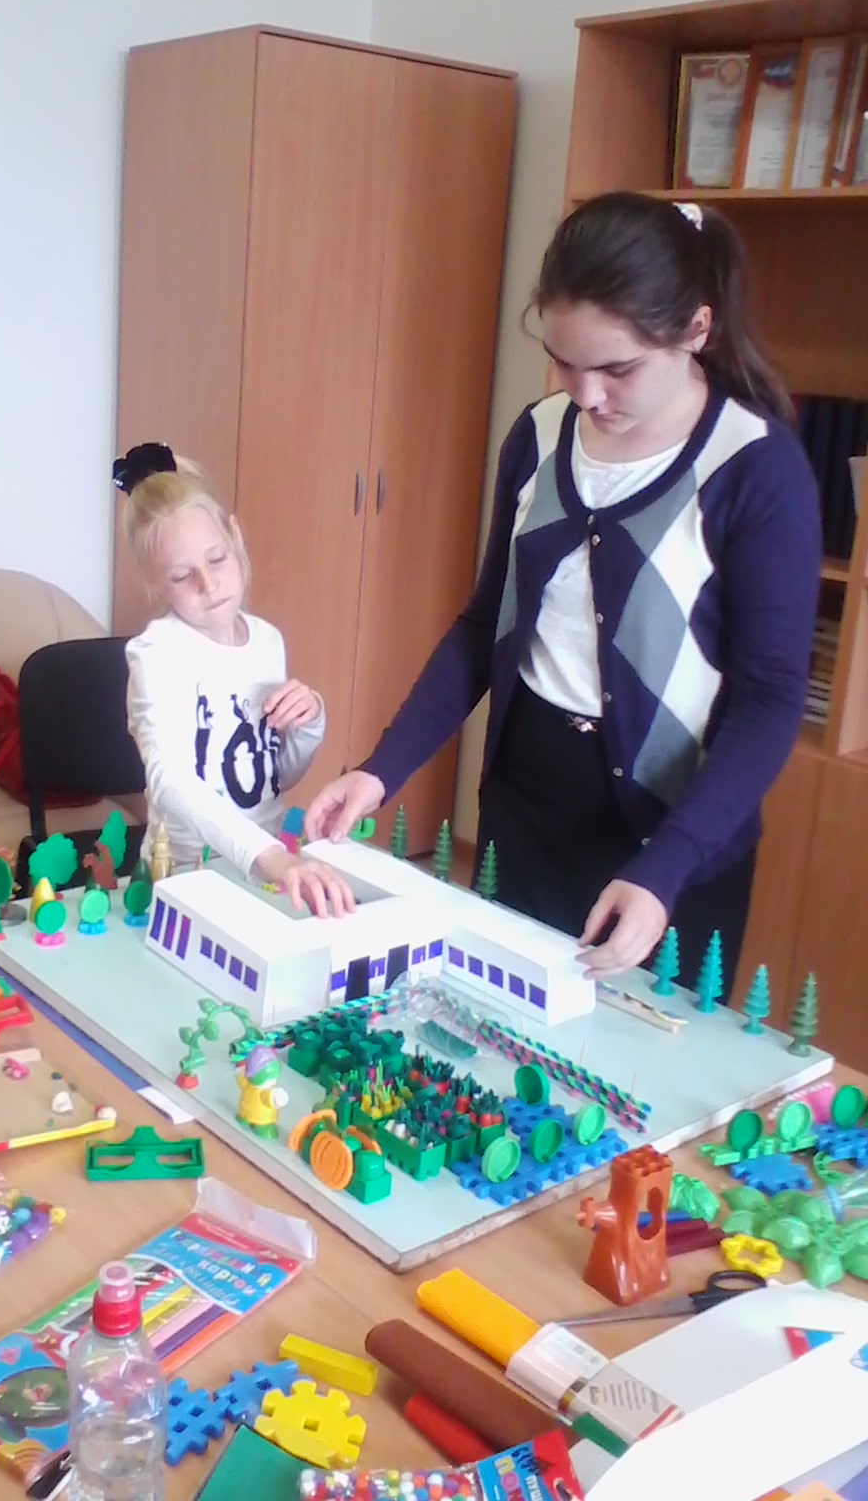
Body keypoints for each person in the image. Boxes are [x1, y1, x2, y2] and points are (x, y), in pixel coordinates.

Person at [305, 191, 820, 990]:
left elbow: (771, 698)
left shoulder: (756, 469)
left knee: (631, 1052)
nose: (587, 395)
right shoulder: (539, 435)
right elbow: (484, 625)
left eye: (618, 369)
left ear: (696, 330)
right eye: (564, 361)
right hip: (526, 806)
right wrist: (380, 771)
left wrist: (668, 867)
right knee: (496, 1029)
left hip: (674, 836)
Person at [115, 441, 355, 918]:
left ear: (235, 538)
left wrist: (309, 723)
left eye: (216, 559)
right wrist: (269, 856)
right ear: (154, 585)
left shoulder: (267, 641)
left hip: (265, 876)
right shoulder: (156, 654)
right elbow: (169, 780)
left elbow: (273, 778)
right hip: (186, 878)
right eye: (182, 576)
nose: (208, 584)